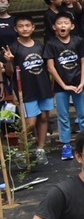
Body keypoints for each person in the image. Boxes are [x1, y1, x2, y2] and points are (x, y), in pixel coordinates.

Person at [4, 15, 52, 164]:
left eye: (27, 25)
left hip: (43, 87)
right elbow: (9, 73)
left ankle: (40, 149)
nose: (24, 29)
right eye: (21, 26)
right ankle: (20, 151)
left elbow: (46, 67)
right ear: (15, 29)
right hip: (26, 90)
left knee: (44, 118)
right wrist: (9, 61)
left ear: (33, 27)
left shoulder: (39, 45)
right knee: (30, 123)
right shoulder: (13, 47)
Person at [43, 12, 84, 161]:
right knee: (63, 116)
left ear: (72, 26)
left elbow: (83, 62)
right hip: (60, 86)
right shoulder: (51, 44)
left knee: (83, 114)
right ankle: (66, 145)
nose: (63, 26)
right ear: (54, 27)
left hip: (78, 84)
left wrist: (82, 82)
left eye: (66, 23)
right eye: (60, 23)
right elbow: (51, 67)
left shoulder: (78, 41)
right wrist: (63, 85)